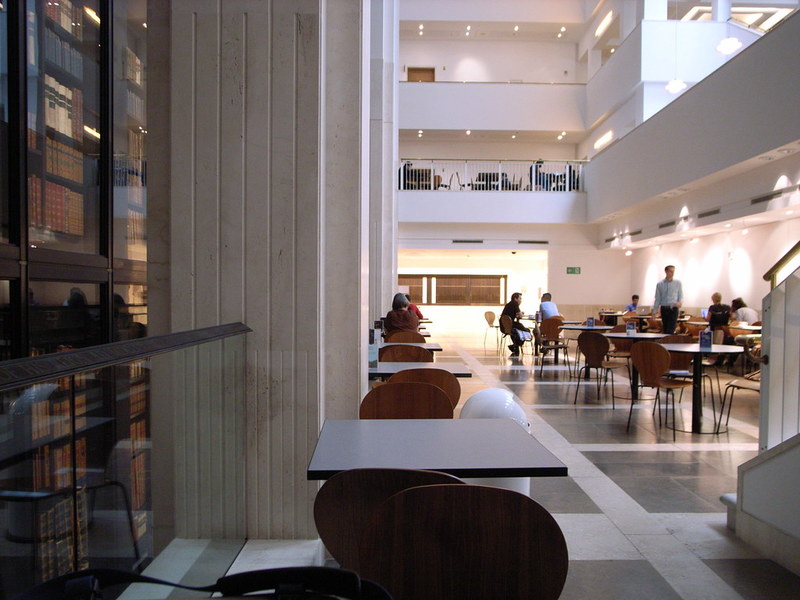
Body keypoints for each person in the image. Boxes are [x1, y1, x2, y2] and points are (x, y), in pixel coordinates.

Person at [652, 265, 683, 334]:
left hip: (673, 308)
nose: (672, 273)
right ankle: (665, 343)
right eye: (671, 271)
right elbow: (657, 298)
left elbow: (680, 295)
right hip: (664, 308)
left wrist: (680, 302)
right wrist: (654, 311)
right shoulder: (660, 284)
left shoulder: (678, 283)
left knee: (670, 329)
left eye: (673, 272)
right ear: (666, 271)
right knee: (665, 328)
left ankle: (669, 342)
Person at [501, 292, 531, 357]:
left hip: (504, 326)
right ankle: (516, 345)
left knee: (518, 330)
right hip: (510, 325)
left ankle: (515, 346)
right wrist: (521, 314)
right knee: (526, 330)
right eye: (520, 298)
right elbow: (520, 316)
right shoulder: (515, 304)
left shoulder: (509, 304)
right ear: (515, 298)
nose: (521, 300)